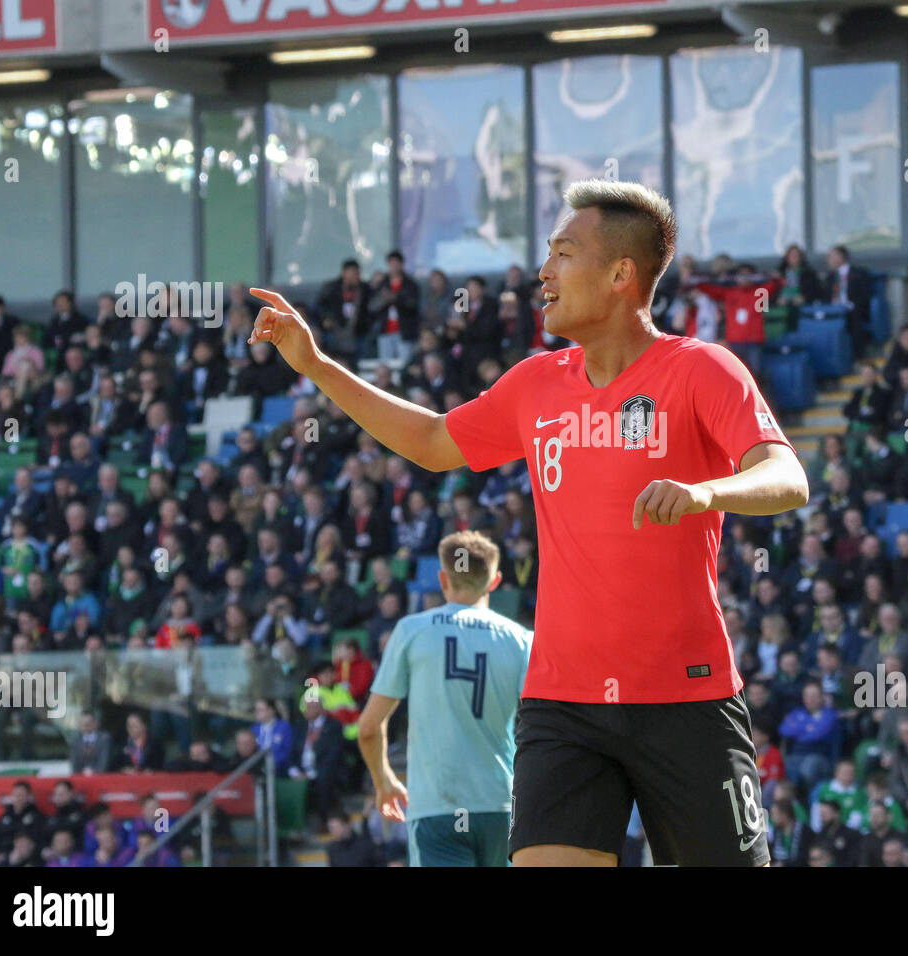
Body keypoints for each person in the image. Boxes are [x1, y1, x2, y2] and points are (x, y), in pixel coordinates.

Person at [249, 177, 808, 867]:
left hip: (687, 696)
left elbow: (786, 478)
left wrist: (705, 492)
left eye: (565, 252)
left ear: (621, 275)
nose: (544, 270)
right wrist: (317, 365)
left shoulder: (701, 369)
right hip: (561, 702)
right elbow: (430, 443)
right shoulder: (536, 383)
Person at [358, 531, 531, 867]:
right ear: (494, 582)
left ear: (442, 578)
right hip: (503, 808)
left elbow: (368, 728)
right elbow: (542, 725)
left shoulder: (411, 631)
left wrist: (384, 781)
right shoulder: (521, 640)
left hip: (439, 808)